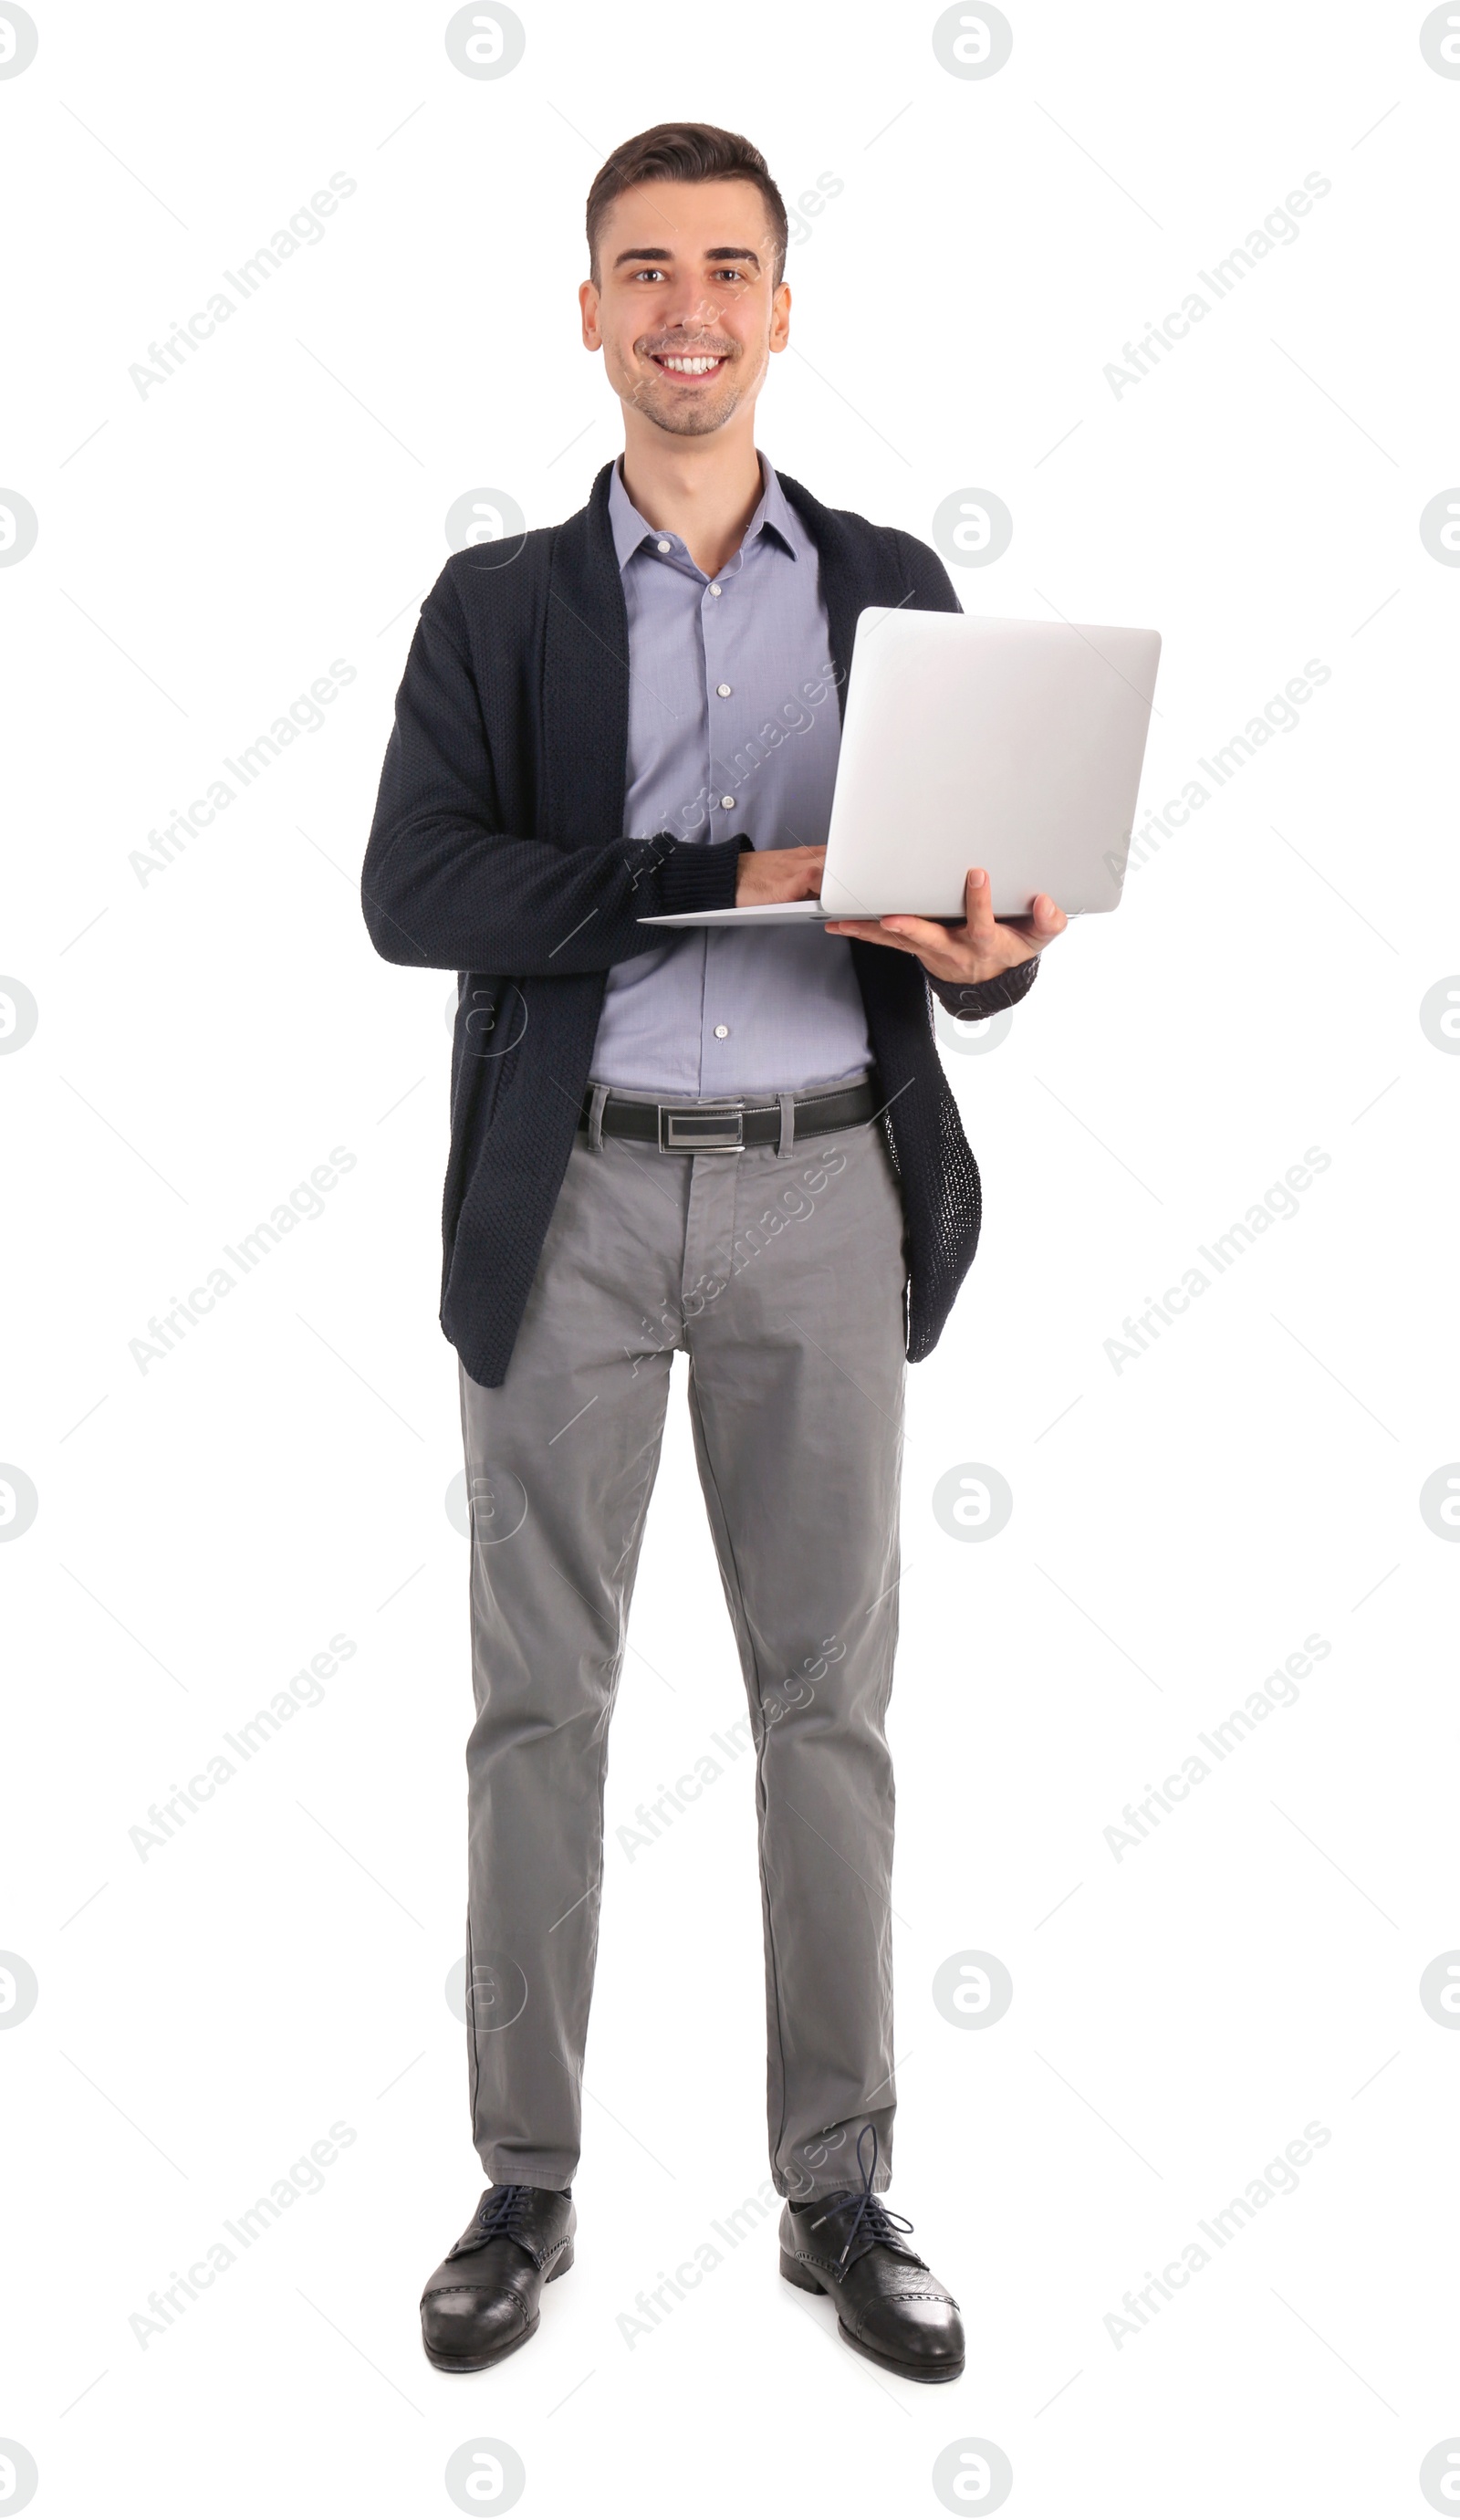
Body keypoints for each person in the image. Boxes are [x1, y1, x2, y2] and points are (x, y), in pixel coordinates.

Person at [360, 120, 1066, 2384]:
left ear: (780, 309)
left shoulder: (885, 588)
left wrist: (986, 949)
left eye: (727, 268)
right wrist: (736, 873)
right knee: (536, 1706)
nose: (685, 307)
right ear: (589, 313)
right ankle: (523, 2185)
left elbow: (972, 930)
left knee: (822, 1710)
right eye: (642, 269)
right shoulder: (497, 609)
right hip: (564, 1194)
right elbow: (420, 893)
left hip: (816, 1183)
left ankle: (836, 2185)